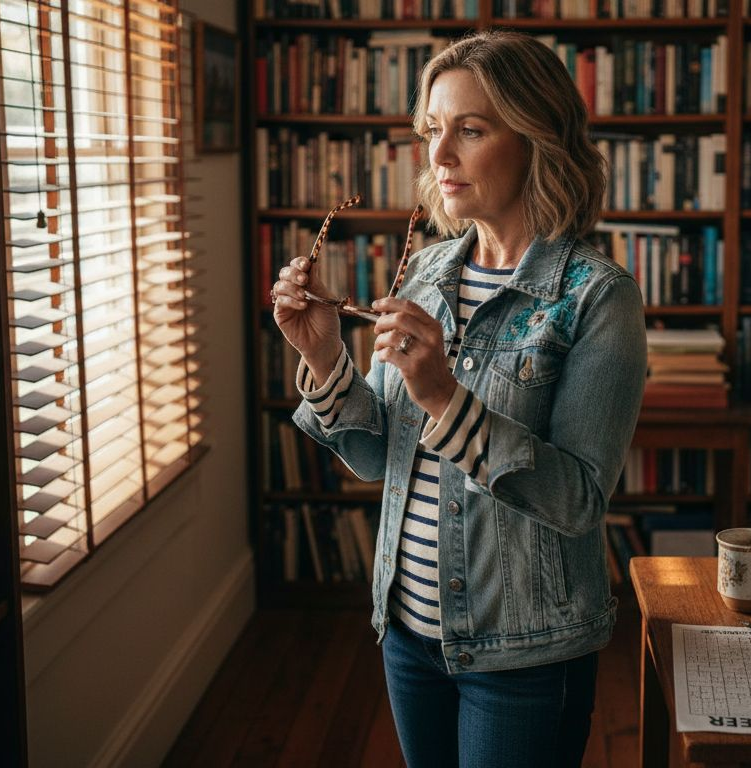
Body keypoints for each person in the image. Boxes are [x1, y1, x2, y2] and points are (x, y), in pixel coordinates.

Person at [269, 29, 647, 768]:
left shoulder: (598, 298)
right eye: (433, 131)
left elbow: (576, 500)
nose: (439, 157)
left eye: (470, 131)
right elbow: (378, 456)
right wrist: (323, 358)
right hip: (406, 632)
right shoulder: (426, 271)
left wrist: (444, 396)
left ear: (537, 138)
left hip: (527, 655)